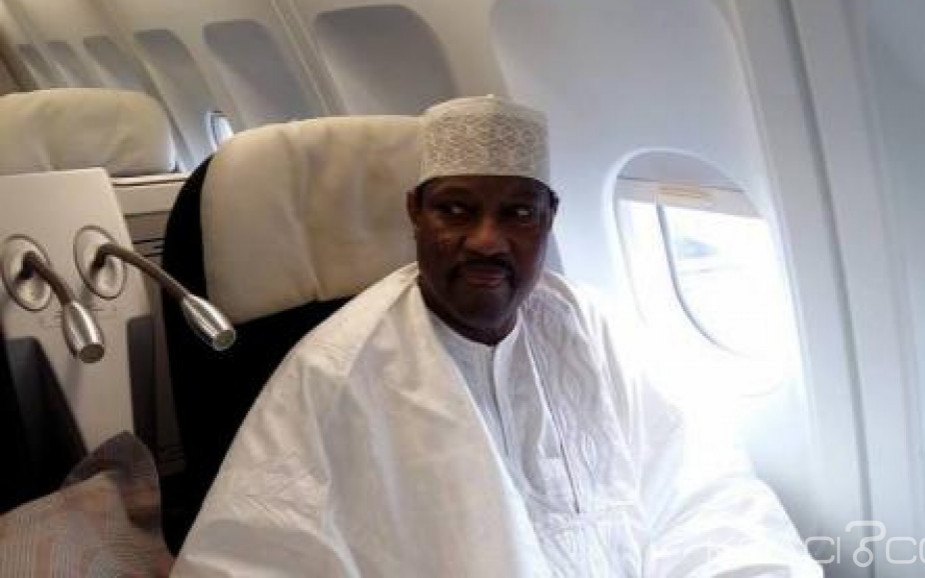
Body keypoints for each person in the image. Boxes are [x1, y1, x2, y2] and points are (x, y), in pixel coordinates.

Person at [172, 96, 820, 576]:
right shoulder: (336, 369)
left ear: (550, 218)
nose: (487, 240)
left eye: (518, 213)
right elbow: (260, 549)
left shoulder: (596, 328)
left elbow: (702, 493)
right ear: (415, 212)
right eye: (456, 210)